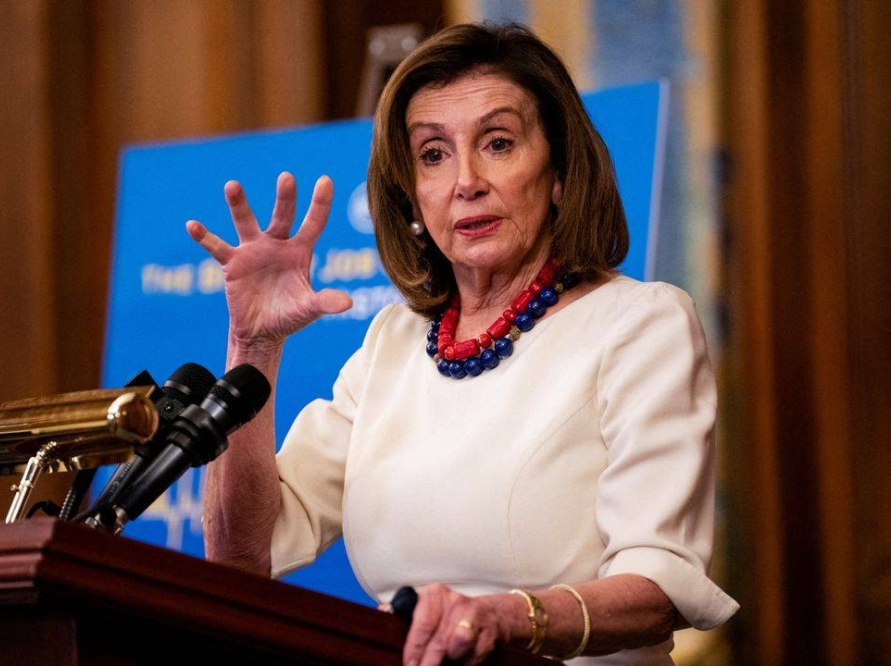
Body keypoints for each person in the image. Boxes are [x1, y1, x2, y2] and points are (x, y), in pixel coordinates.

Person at [187, 22, 738, 666]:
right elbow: (241, 555)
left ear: (558, 170)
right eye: (433, 155)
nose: (465, 180)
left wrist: (509, 617)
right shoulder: (392, 344)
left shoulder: (641, 325)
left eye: (498, 143)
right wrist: (253, 346)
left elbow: (659, 586)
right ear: (413, 198)